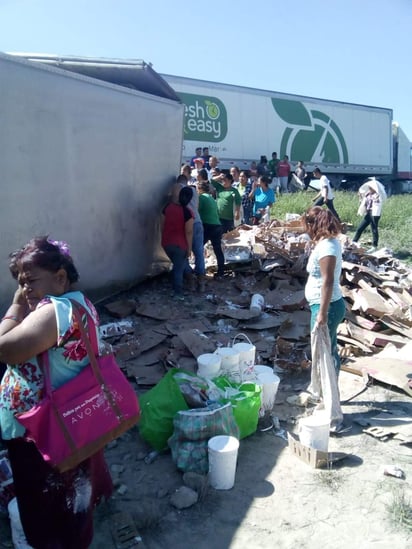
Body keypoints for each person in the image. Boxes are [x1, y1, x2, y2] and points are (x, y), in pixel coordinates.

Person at [0, 236, 113, 549]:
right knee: (72, 497)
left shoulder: (55, 311)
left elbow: (5, 349)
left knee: (47, 507)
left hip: (43, 433)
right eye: (21, 284)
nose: (25, 289)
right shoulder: (76, 303)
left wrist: (15, 305)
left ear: (60, 277)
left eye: (31, 281)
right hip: (67, 425)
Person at [302, 207, 345, 377]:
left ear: (315, 224)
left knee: (326, 352)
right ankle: (322, 392)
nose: (307, 230)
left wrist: (322, 312)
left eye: (308, 226)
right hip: (321, 303)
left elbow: (328, 280)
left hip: (328, 307)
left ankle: (331, 397)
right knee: (323, 349)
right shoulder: (325, 243)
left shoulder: (328, 247)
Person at [161, 186, 194, 300]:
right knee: (179, 268)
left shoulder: (168, 207)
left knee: (179, 264)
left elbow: (162, 224)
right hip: (180, 245)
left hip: (166, 243)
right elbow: (189, 232)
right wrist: (189, 249)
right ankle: (178, 292)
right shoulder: (188, 213)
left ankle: (190, 281)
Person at [197, 181, 226, 279]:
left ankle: (199, 270)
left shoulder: (201, 198)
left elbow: (197, 211)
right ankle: (221, 271)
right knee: (218, 250)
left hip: (207, 225)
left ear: (200, 189)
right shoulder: (211, 198)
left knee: (198, 247)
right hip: (217, 225)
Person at [352, 182, 384, 252]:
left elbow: (377, 203)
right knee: (360, 228)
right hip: (368, 213)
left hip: (375, 214)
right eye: (369, 187)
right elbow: (363, 202)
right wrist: (360, 196)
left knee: (374, 229)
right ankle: (354, 242)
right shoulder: (367, 194)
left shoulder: (377, 195)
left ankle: (374, 246)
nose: (369, 189)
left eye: (371, 188)